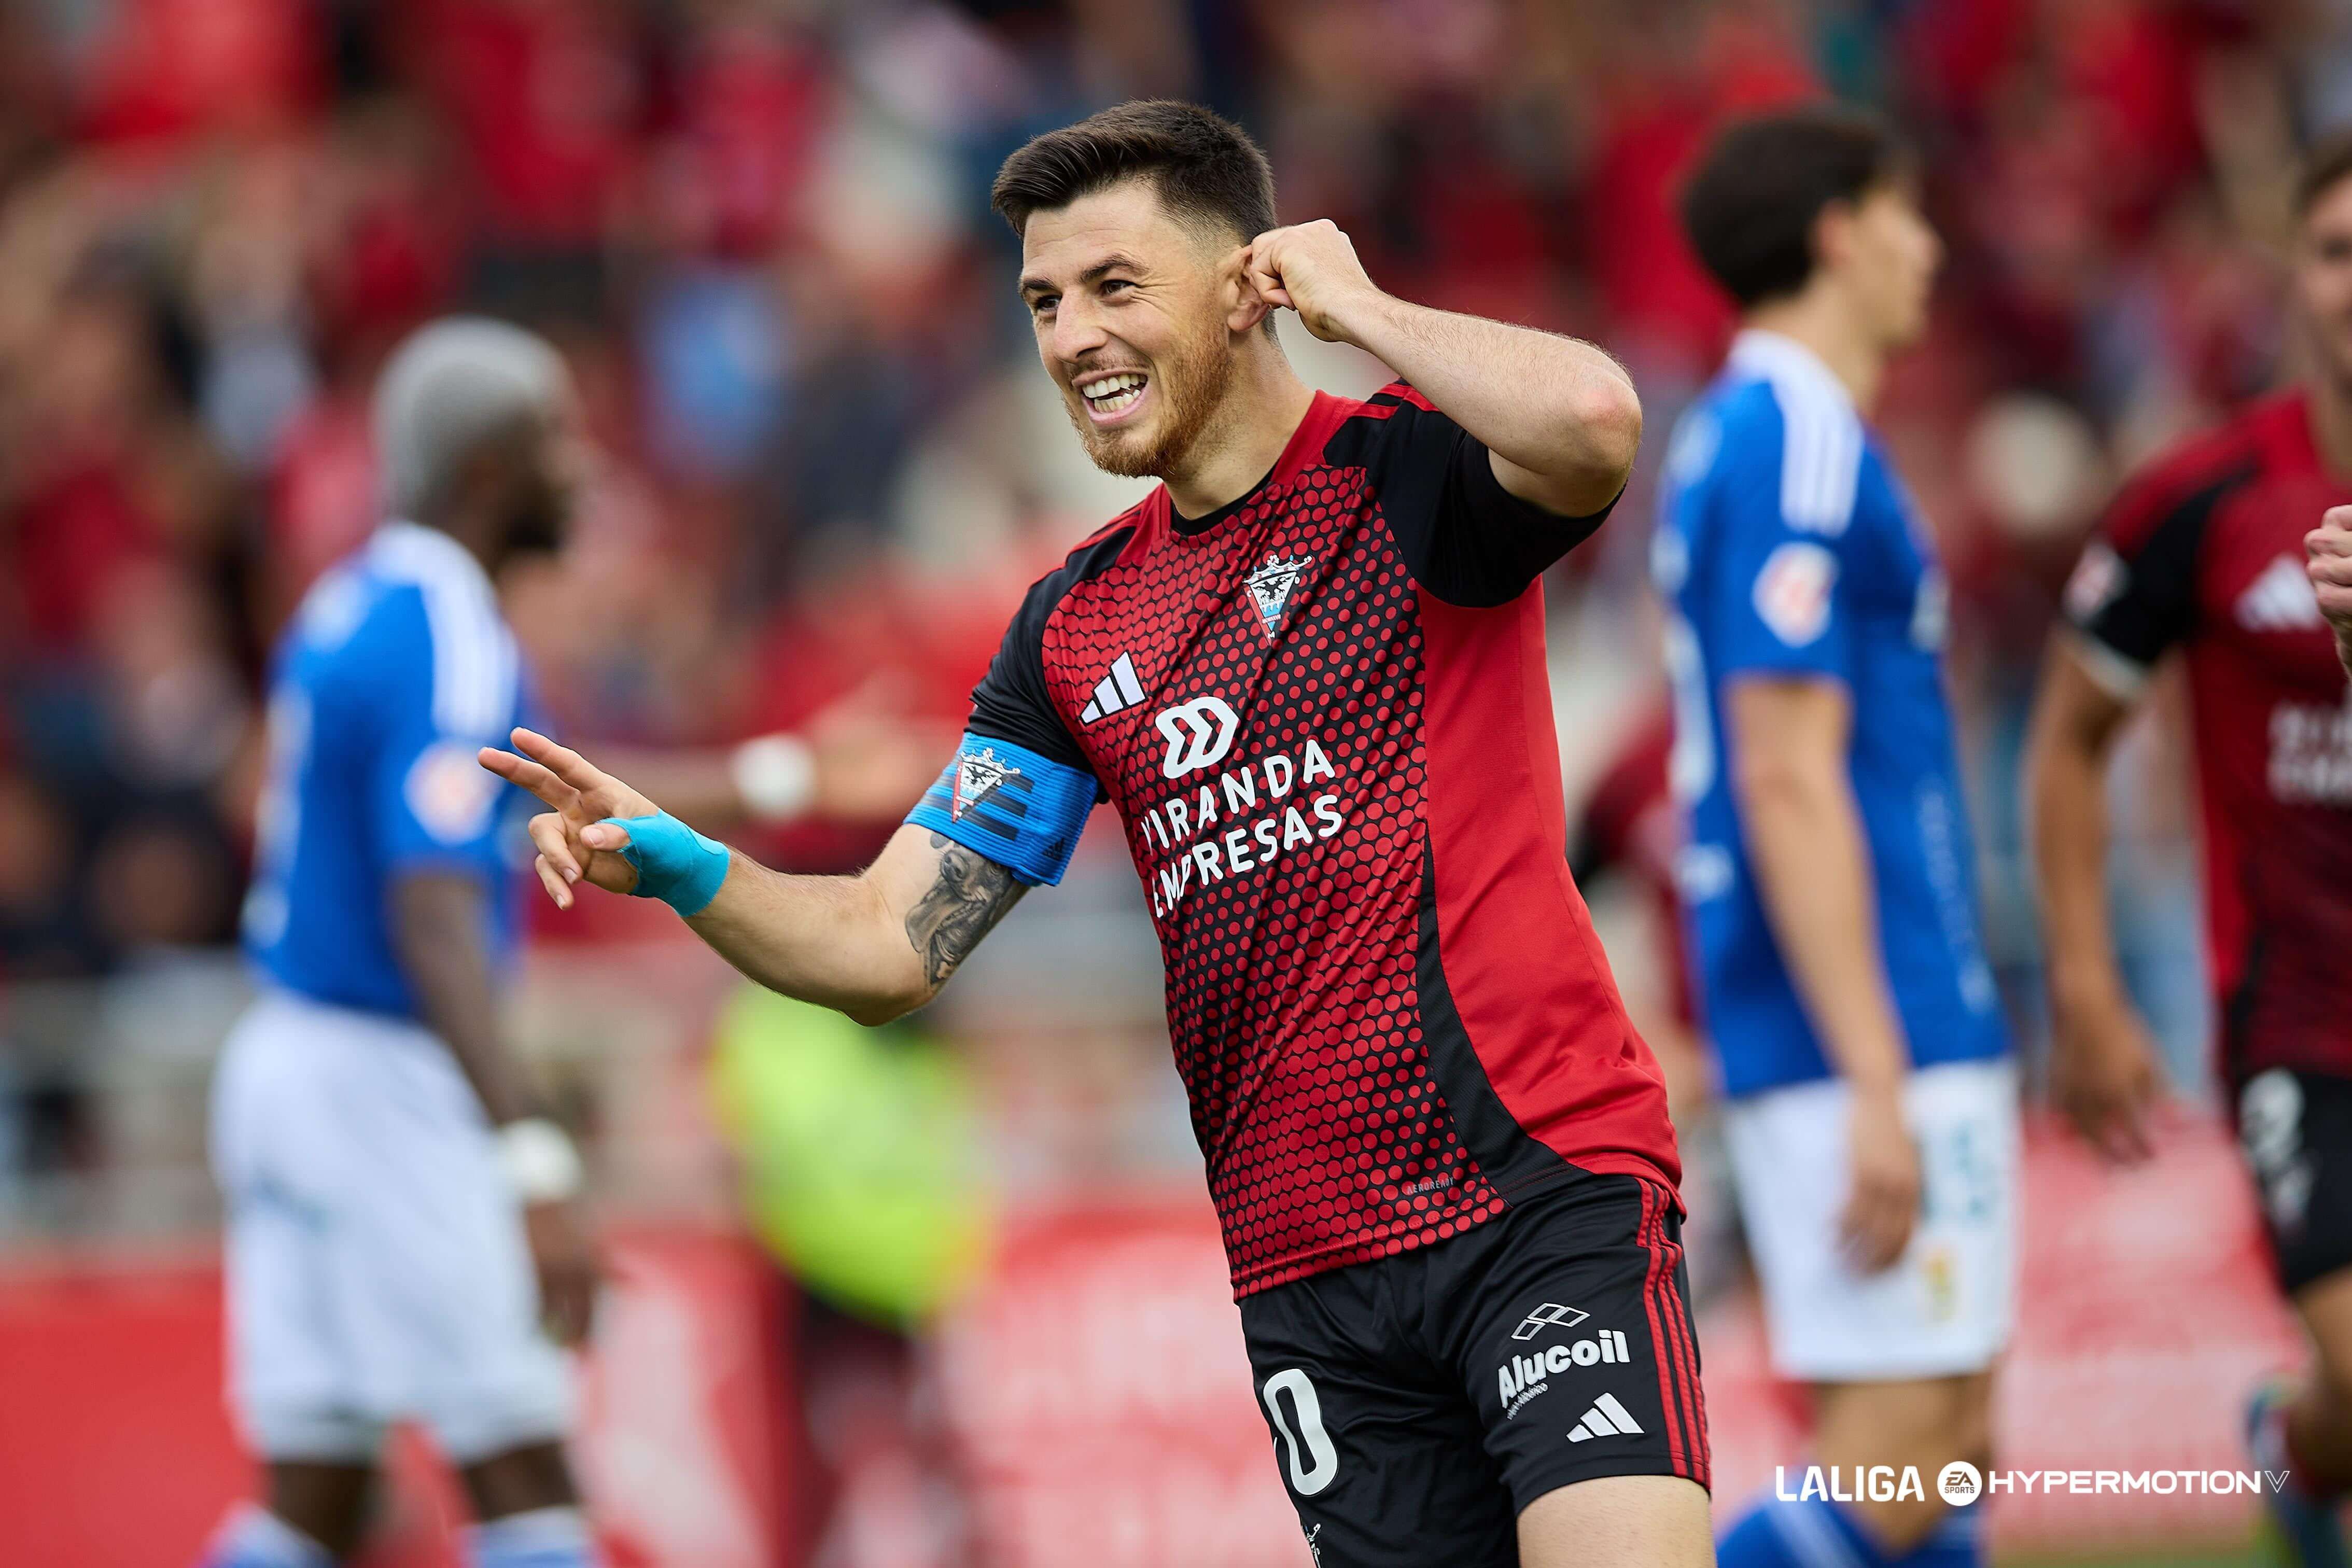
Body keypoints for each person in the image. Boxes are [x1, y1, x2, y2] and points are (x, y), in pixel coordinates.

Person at [483, 99, 1709, 1568]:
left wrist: (1362, 307)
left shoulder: (1403, 481)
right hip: (1310, 1272)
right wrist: (681, 858)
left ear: (1250, 284)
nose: (1070, 339)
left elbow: (1592, 427)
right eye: (1045, 304)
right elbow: (886, 944)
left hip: (1537, 1195)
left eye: (1115, 288)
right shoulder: (1073, 630)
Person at [1656, 109, 2014, 1568]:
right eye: (1909, 216)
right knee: (1903, 1461)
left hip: (1863, 995)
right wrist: (1876, 1068)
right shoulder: (1794, 433)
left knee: (1955, 1444)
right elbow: (1785, 775)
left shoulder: (1753, 431)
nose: (1929, 251)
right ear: (1839, 231)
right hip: (1864, 1011)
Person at [2034, 131, 2352, 1567]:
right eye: (2340, 250)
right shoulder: (2205, 501)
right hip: (2302, 1014)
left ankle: (2294, 1444)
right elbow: (2068, 742)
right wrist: (2089, 990)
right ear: (2294, 270)